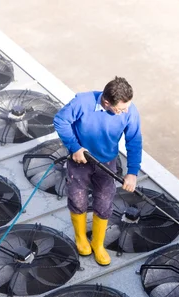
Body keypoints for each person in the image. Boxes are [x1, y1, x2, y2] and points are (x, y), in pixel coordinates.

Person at [53, 77, 143, 266]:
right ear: (106, 102)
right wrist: (75, 148)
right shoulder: (82, 102)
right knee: (78, 200)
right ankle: (81, 238)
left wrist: (132, 172)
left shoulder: (129, 111)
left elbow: (134, 141)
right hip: (79, 161)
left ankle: (98, 243)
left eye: (127, 106)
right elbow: (61, 120)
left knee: (104, 202)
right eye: (121, 108)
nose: (126, 111)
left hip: (106, 163)